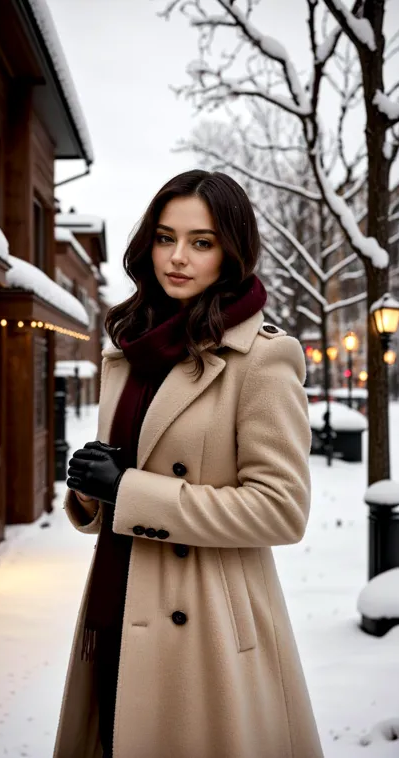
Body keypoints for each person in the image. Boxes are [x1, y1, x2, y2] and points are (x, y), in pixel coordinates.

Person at [53, 170, 324, 758]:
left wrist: (129, 491)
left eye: (201, 242)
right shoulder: (128, 348)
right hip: (119, 600)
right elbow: (125, 489)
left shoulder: (262, 357)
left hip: (206, 625)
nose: (177, 257)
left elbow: (281, 510)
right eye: (164, 237)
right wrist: (93, 489)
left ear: (231, 252)